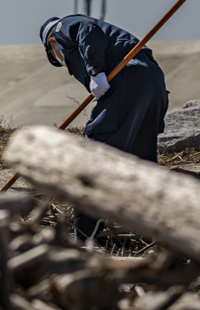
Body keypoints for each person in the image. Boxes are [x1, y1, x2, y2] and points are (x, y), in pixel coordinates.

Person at [39, 14, 168, 238]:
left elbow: (87, 28)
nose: (62, 61)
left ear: (52, 44)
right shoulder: (110, 40)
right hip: (153, 83)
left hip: (128, 82)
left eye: (57, 57)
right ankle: (151, 232)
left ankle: (85, 236)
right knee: (141, 164)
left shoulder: (62, 28)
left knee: (95, 159)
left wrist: (95, 72)